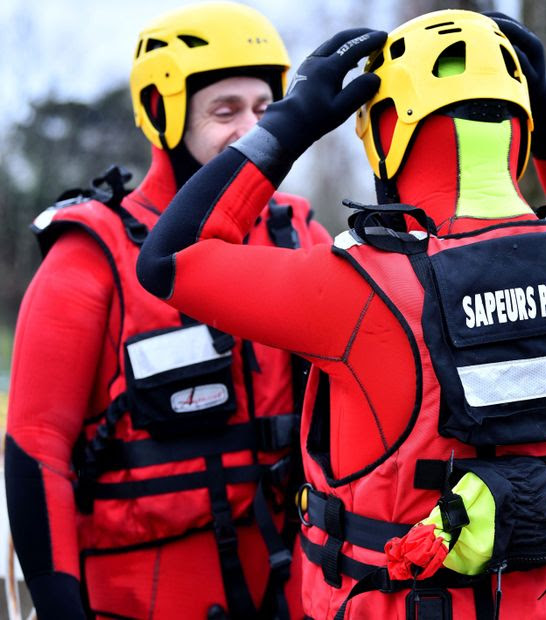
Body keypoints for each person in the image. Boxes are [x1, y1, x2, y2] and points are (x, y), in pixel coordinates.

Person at [138, 10, 546, 619]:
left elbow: (172, 258)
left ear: (386, 135)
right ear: (521, 135)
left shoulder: (361, 287)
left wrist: (291, 124)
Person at [5, 2, 331, 618]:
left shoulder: (301, 235)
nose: (251, 131)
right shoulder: (90, 254)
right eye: (224, 111)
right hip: (138, 599)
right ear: (163, 113)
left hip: (292, 590)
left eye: (266, 110)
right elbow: (35, 446)